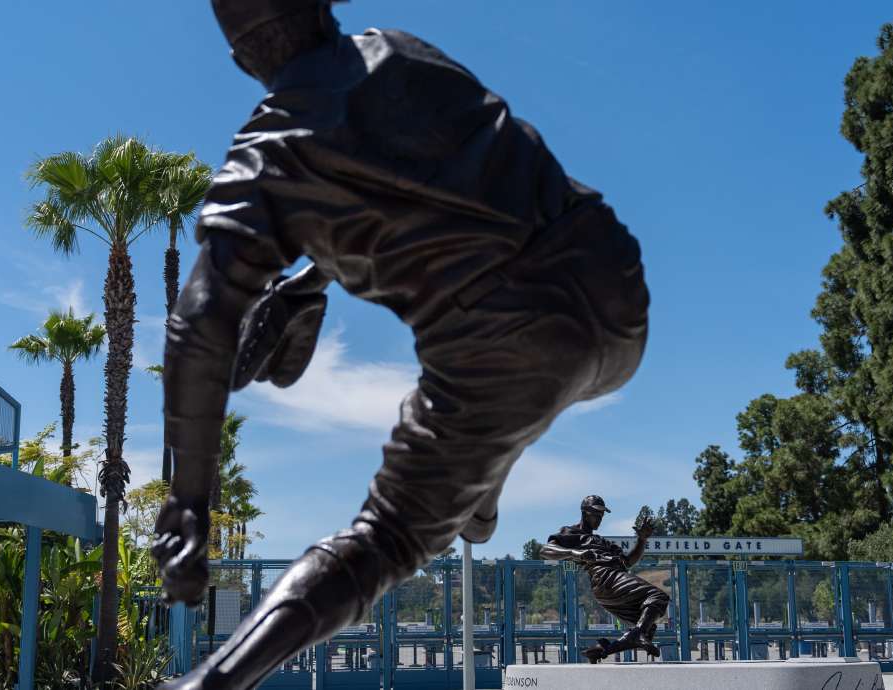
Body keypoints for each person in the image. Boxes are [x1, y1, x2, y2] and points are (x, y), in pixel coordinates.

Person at [151, 1, 650, 687]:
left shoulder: (272, 151)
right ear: (322, 9)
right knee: (503, 397)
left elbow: (200, 321)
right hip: (614, 288)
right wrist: (308, 282)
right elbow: (427, 178)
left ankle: (212, 683)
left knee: (385, 539)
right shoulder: (402, 49)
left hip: (503, 350)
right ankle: (484, 472)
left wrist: (187, 500)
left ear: (242, 61)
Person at [540, 496, 669, 662]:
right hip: (605, 577)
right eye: (596, 515)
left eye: (602, 516)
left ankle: (603, 650)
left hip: (613, 582)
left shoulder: (603, 542)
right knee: (658, 597)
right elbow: (545, 550)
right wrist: (575, 553)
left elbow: (628, 562)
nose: (600, 519)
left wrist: (642, 540)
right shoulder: (572, 533)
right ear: (585, 513)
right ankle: (636, 635)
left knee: (648, 627)